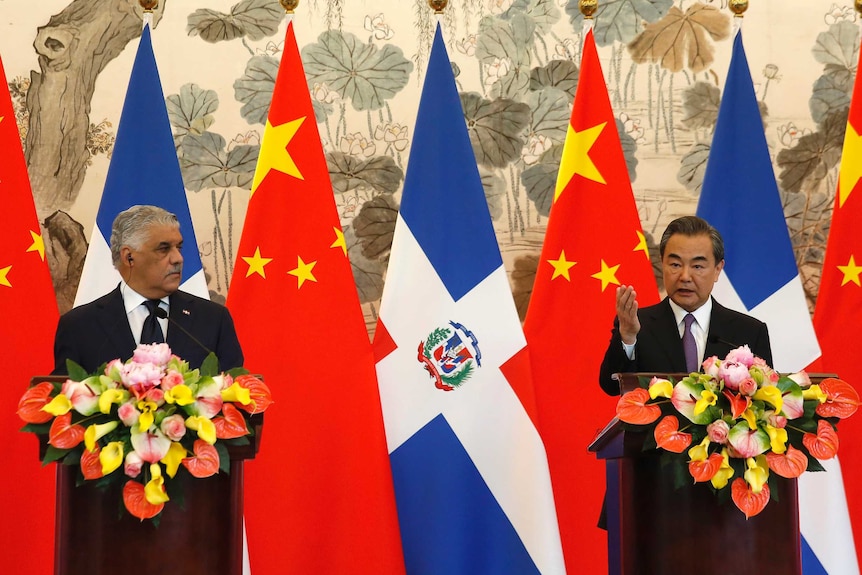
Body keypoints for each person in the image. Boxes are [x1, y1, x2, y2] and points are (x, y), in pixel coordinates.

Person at [53, 205, 243, 374]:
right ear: (129, 257)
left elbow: (238, 398)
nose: (178, 258)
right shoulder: (80, 326)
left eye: (179, 247)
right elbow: (65, 403)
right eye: (164, 249)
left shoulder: (213, 320)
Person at [599, 215, 772, 395]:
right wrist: (627, 338)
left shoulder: (749, 332)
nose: (685, 276)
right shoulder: (637, 325)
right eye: (675, 264)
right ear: (662, 263)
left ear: (717, 270)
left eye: (697, 266)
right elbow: (611, 387)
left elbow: (764, 400)